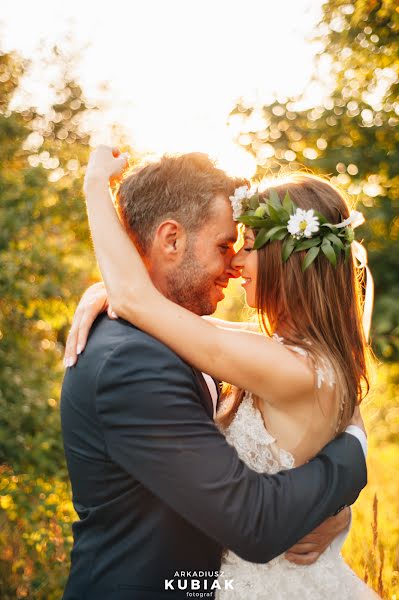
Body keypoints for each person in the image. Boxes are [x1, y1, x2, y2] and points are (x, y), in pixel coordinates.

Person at [61, 147, 370, 600]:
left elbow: (138, 300)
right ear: (171, 239)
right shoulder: (135, 360)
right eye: (227, 246)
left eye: (245, 248)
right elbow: (138, 302)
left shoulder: (279, 359)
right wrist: (106, 290)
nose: (234, 264)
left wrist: (345, 474)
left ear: (289, 260)